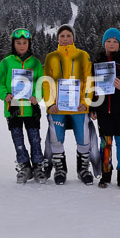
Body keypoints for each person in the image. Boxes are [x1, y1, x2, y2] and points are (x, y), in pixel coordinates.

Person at [43, 24, 94, 185]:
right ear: (57, 38)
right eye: (62, 36)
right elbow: (46, 83)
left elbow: (88, 80)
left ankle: (83, 169)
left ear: (73, 38)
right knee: (56, 139)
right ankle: (60, 169)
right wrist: (50, 103)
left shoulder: (83, 55)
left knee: (83, 138)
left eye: (68, 35)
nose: (65, 39)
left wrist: (86, 102)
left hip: (78, 107)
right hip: (58, 108)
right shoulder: (51, 57)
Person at [0, 28, 45, 184]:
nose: (22, 45)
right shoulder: (7, 62)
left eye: (24, 42)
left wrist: (37, 95)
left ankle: (38, 166)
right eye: (18, 43)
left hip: (30, 108)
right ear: (13, 44)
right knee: (18, 139)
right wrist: (5, 95)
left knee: (35, 139)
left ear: (29, 44)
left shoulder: (35, 62)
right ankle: (24, 167)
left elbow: (40, 81)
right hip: (13, 108)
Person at [90, 28, 120, 188]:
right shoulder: (97, 61)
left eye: (115, 41)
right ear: (104, 43)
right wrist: (92, 107)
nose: (111, 44)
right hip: (102, 110)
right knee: (105, 143)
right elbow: (91, 86)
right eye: (108, 41)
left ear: (119, 44)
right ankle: (106, 174)